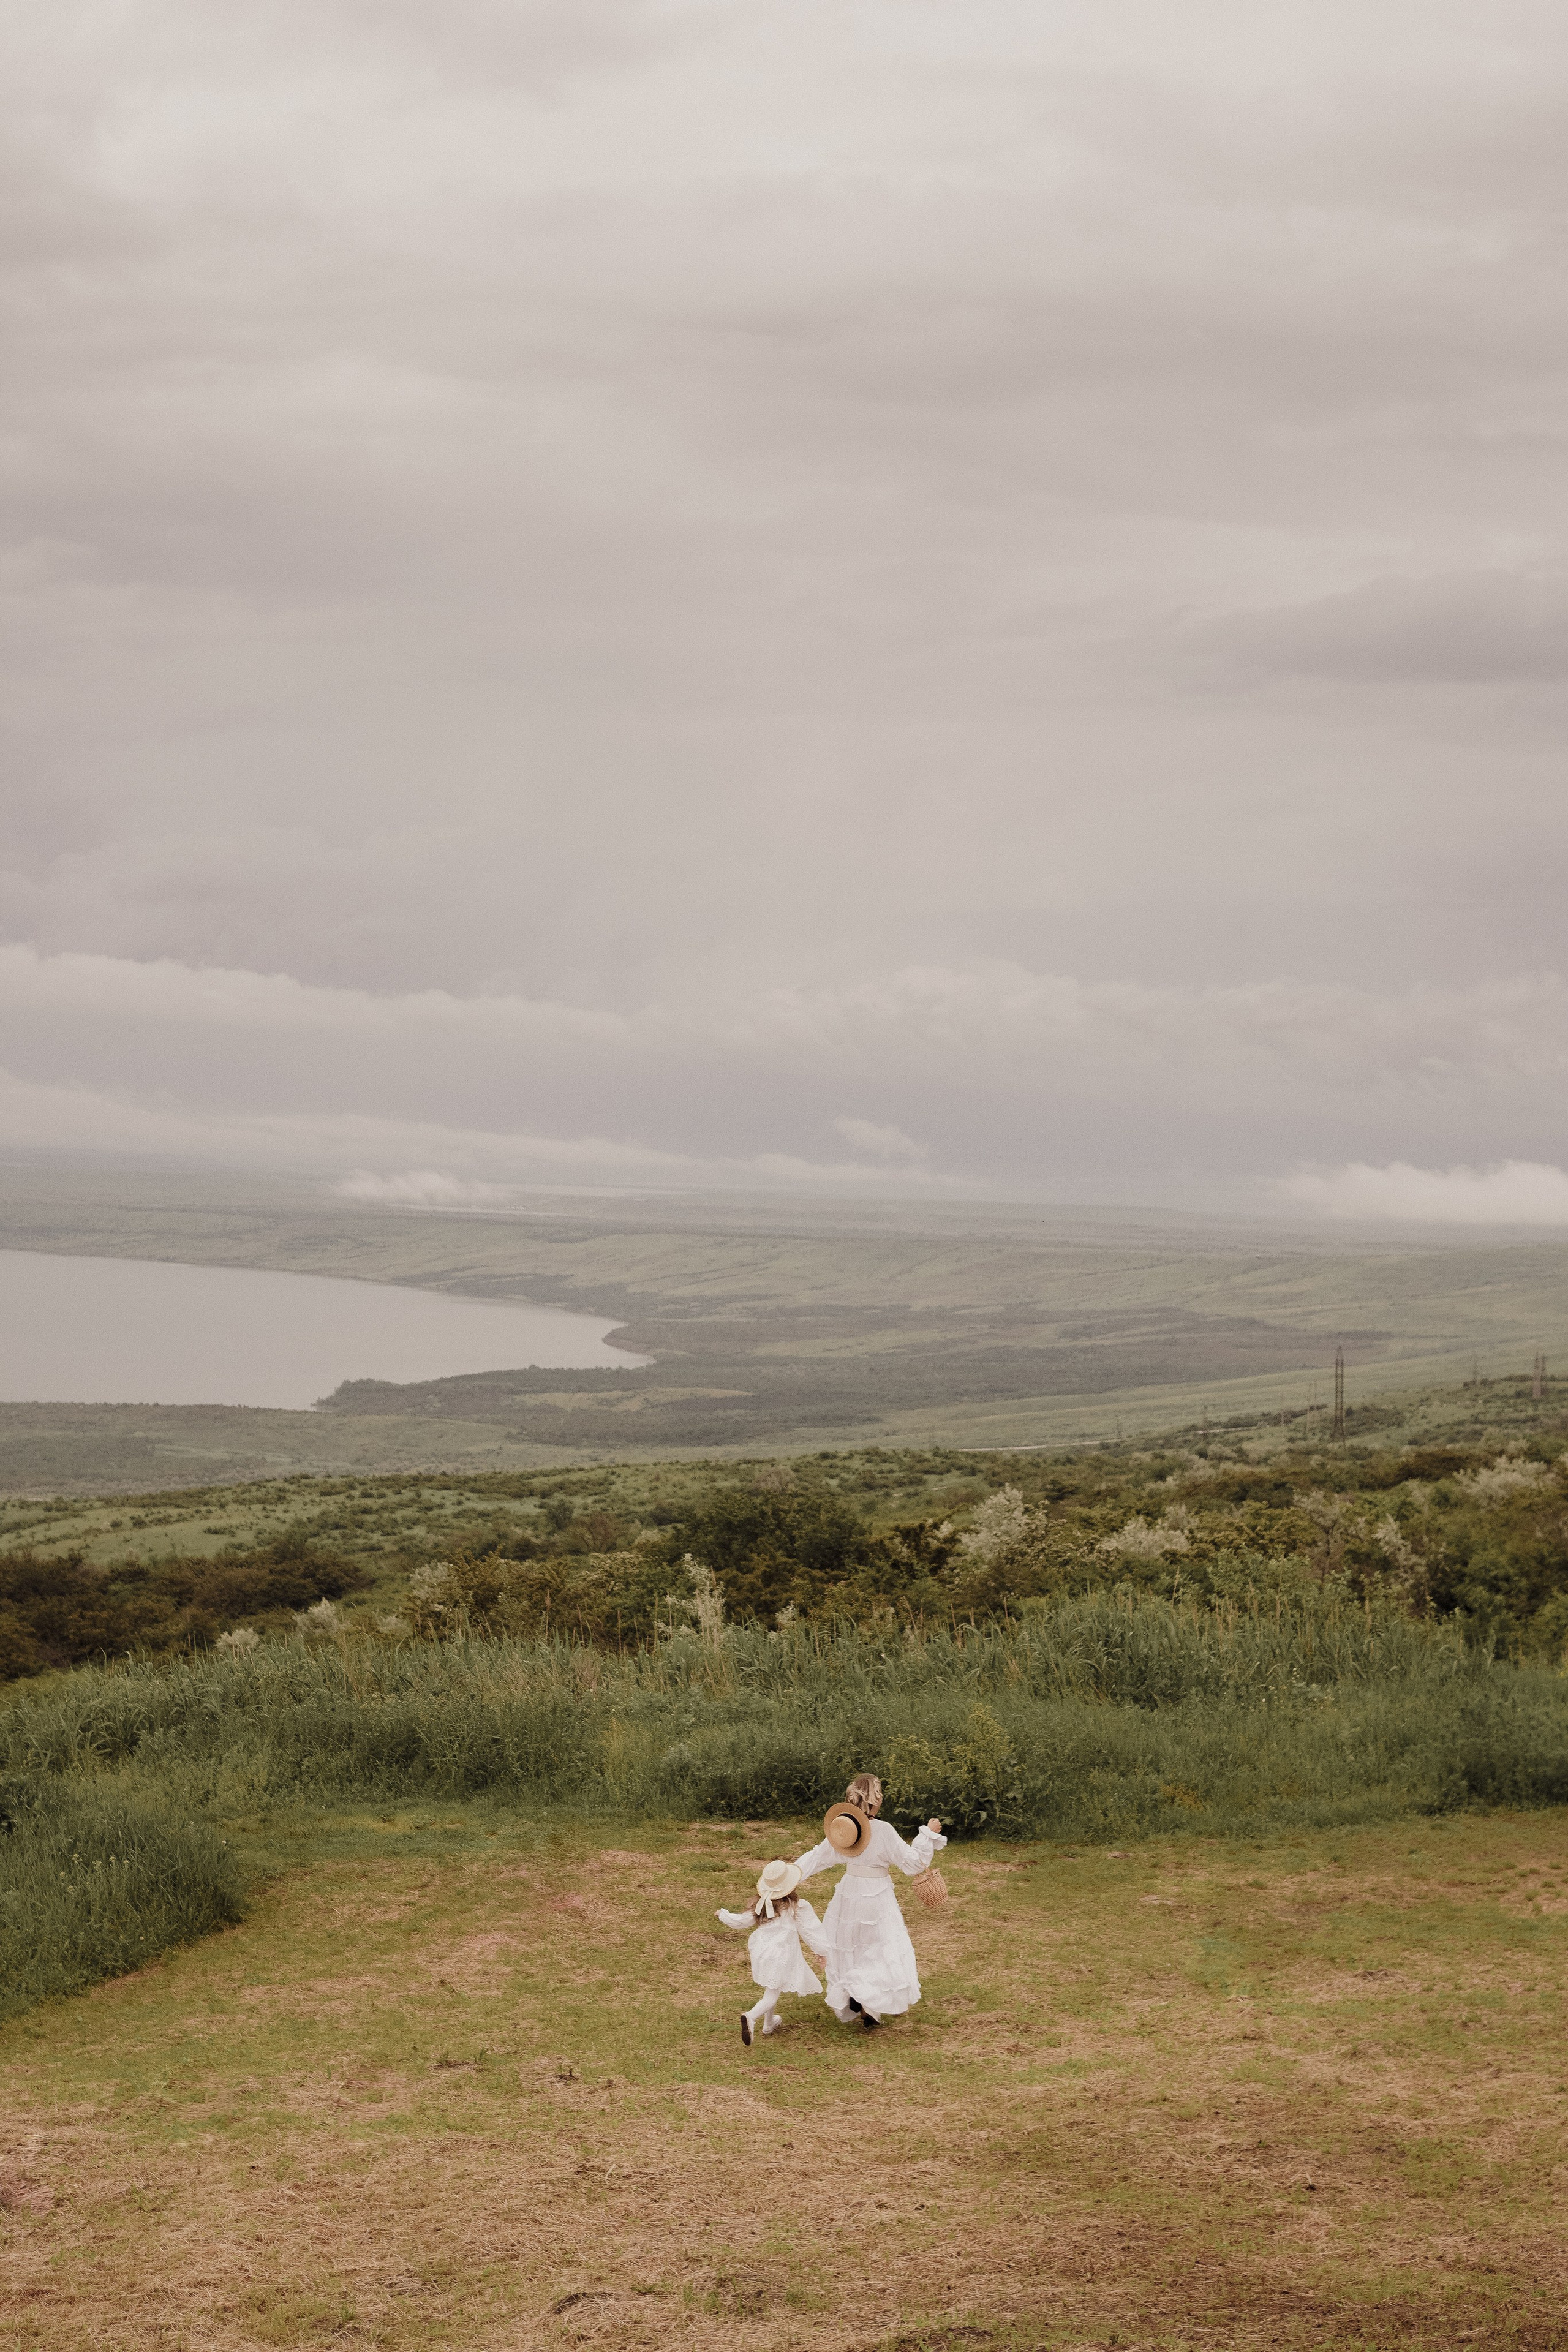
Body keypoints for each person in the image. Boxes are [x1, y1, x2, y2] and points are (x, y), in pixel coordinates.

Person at [793, 1774, 946, 2030]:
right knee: (879, 1946)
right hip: (876, 1896)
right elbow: (913, 1864)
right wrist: (928, 1835)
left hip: (848, 1894)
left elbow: (818, 1857)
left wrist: (791, 1875)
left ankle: (858, 1994)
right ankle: (867, 1999)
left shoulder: (844, 1829)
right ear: (878, 1800)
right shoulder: (883, 1830)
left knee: (850, 1944)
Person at [717, 1858, 829, 2046]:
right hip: (781, 1954)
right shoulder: (797, 1907)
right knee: (771, 1995)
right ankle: (751, 2017)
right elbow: (810, 1930)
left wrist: (723, 1915)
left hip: (762, 1951)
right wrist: (821, 1951)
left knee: (773, 1985)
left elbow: (742, 1921)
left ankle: (769, 2025)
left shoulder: (760, 1905)